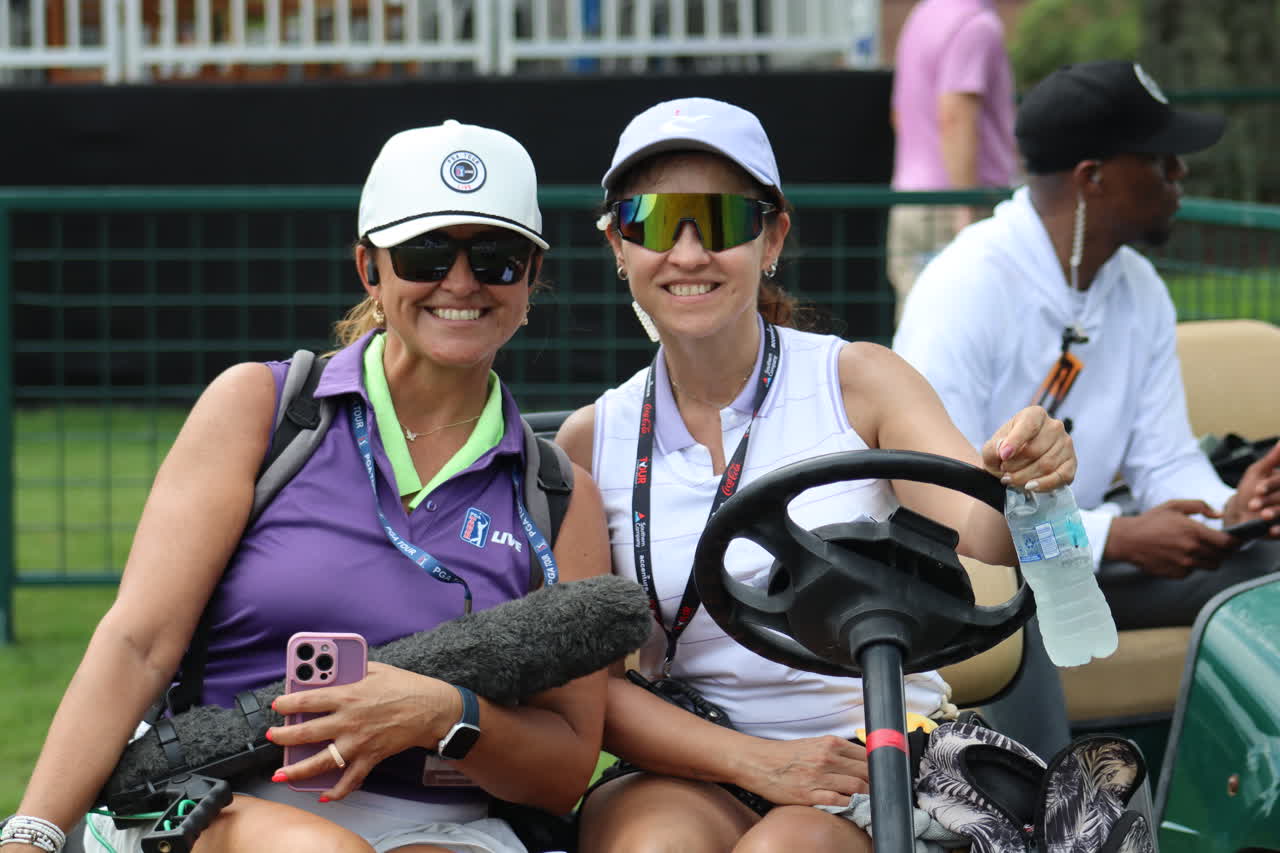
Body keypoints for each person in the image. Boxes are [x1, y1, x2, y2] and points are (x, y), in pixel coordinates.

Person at [5, 119, 610, 853]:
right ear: (370, 268)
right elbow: (137, 644)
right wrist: (33, 833)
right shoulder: (262, 409)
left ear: (531, 277)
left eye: (495, 258)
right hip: (220, 798)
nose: (460, 282)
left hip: (446, 824)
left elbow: (564, 772)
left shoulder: (559, 494)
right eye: (424, 252)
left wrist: (442, 714)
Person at [555, 96, 1076, 853]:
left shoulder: (858, 381)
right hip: (695, 758)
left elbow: (984, 528)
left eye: (723, 221)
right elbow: (592, 687)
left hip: (878, 748)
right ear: (618, 244)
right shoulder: (591, 441)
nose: (689, 254)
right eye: (655, 222)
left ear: (772, 237)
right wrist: (759, 763)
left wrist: (1030, 477)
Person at [892, 61, 1280, 756]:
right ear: (1092, 177)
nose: (1180, 174)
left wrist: (1229, 511)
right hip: (978, 573)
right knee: (1017, 603)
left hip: (1089, 557)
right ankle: (1044, 806)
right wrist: (1114, 538)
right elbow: (942, 501)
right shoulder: (965, 285)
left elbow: (1164, 459)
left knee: (1269, 563)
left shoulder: (1138, 286)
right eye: (1160, 159)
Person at [888, 0, 1017, 322]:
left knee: (916, 325)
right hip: (960, 206)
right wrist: (965, 205)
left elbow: (899, 115)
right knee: (967, 324)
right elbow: (955, 115)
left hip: (909, 200)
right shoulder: (977, 26)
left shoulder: (922, 15)